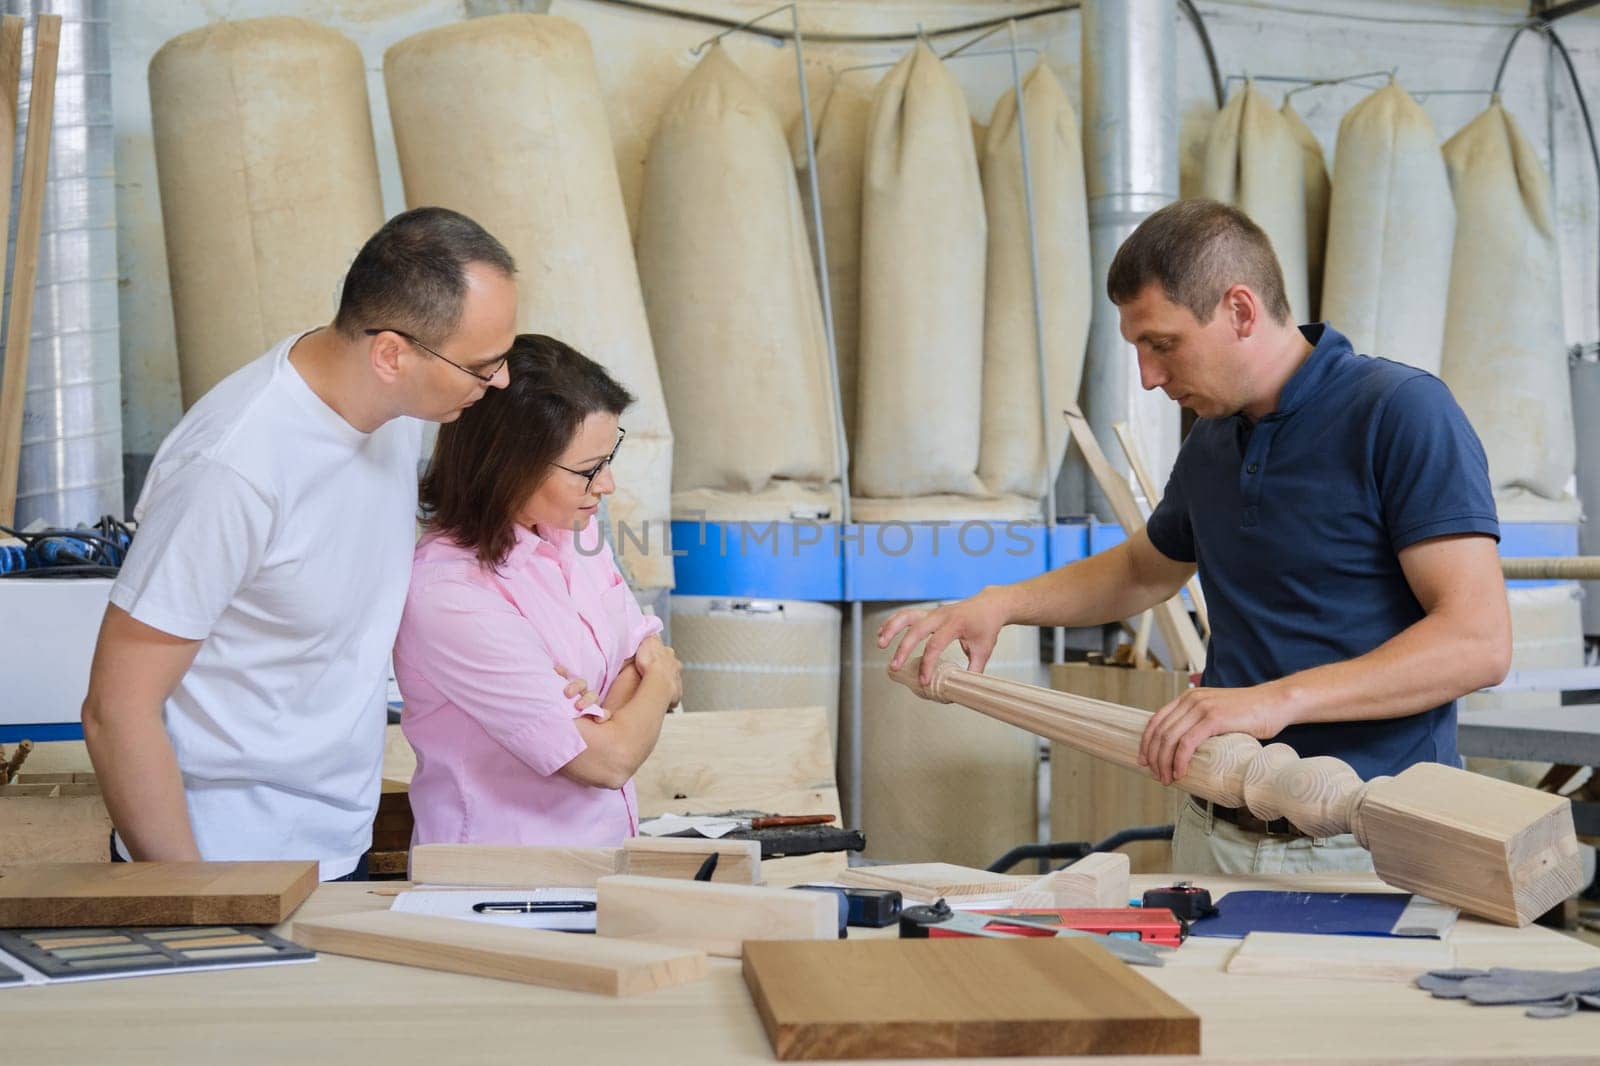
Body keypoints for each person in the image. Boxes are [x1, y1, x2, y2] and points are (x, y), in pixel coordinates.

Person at [880, 198, 1511, 875]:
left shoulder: (1399, 413)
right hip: (1213, 829)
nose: (1150, 378)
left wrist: (1274, 700)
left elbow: (1477, 642)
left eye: (1163, 344)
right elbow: (1143, 570)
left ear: (1240, 310)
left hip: (1360, 841)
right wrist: (1000, 604)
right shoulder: (1214, 437)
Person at [81, 207, 518, 880]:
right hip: (222, 856)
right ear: (391, 353)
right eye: (483, 365)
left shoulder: (394, 408)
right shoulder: (233, 470)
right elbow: (117, 708)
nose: (501, 382)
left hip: (339, 839)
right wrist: (196, 901)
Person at [392, 334, 681, 848]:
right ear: (510, 467)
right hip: (501, 888)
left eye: (609, 456)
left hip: (600, 865)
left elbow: (644, 650)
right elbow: (607, 759)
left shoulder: (576, 529)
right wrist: (657, 682)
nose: (607, 484)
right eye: (588, 470)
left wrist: (611, 706)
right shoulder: (451, 593)